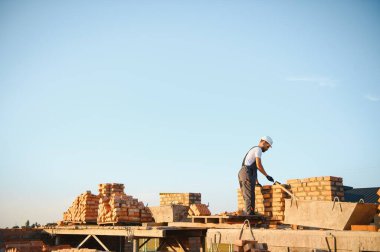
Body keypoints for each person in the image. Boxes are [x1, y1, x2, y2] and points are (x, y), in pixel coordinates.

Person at [238, 136, 274, 215]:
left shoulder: (254, 150)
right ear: (263, 142)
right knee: (249, 196)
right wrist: (267, 175)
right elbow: (258, 165)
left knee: (248, 195)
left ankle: (249, 214)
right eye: (267, 146)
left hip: (244, 173)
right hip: (246, 172)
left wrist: (257, 182)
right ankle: (249, 217)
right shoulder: (258, 149)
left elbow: (254, 168)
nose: (267, 149)